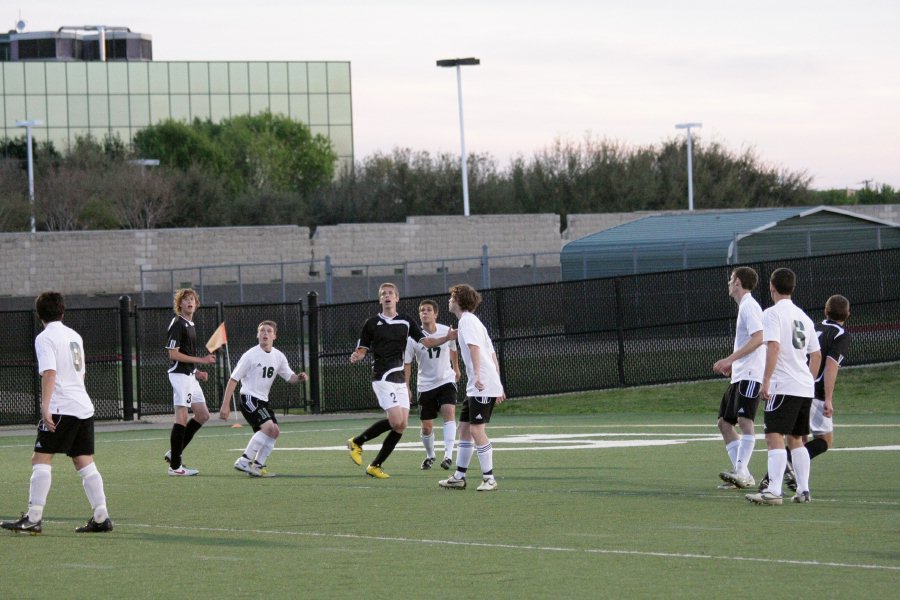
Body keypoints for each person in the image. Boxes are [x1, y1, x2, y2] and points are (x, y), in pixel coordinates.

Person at [1, 292, 113, 534]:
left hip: (62, 407)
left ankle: (33, 518)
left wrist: (46, 406)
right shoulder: (74, 335)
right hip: (82, 406)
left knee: (40, 459)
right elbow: (81, 372)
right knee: (83, 460)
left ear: (39, 314)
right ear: (62, 312)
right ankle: (101, 516)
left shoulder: (45, 338)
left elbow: (50, 373)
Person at [347, 283, 456, 479]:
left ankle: (375, 465)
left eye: (390, 293)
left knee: (401, 424)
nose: (387, 296)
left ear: (397, 298)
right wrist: (357, 356)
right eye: (383, 294)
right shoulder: (371, 323)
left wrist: (446, 338)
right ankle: (357, 442)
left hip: (399, 380)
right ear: (380, 299)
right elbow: (362, 350)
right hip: (382, 377)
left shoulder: (406, 321)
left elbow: (427, 342)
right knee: (396, 420)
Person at [758, 294, 851, 491]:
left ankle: (776, 480)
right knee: (823, 440)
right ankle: (784, 475)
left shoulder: (813, 325)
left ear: (825, 311)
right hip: (812, 389)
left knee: (798, 438)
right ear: (848, 314)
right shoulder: (840, 334)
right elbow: (830, 365)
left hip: (797, 385)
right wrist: (828, 398)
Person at [746, 268, 821, 506]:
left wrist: (766, 380)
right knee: (796, 438)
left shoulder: (772, 313)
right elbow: (816, 355)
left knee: (773, 436)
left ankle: (774, 491)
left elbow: (774, 347)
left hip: (783, 385)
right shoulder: (804, 317)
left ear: (772, 287)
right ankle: (803, 490)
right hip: (803, 387)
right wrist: (807, 379)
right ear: (793, 287)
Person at [220, 321, 308, 477]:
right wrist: (225, 404)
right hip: (249, 398)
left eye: (269, 331)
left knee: (274, 432)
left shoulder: (278, 356)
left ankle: (257, 467)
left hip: (263, 401)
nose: (265, 333)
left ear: (274, 336)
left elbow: (290, 377)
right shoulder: (250, 355)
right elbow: (233, 379)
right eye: (262, 330)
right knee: (268, 428)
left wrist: (299, 377)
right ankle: (244, 461)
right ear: (257, 334)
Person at [439, 284, 505, 492]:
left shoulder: (467, 321)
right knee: (464, 429)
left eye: (452, 297)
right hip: (479, 385)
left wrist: (478, 375)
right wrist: (498, 383)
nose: (449, 300)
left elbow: (475, 348)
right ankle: (459, 477)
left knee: (476, 430)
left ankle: (489, 478)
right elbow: (491, 353)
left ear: (459, 301)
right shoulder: (471, 322)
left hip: (481, 384)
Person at [713, 267, 765, 490]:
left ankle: (741, 472)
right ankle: (742, 473)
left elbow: (759, 338)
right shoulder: (744, 306)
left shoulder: (749, 306)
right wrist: (734, 366)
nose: (728, 283)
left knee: (745, 421)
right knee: (724, 423)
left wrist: (729, 359)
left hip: (751, 374)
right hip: (741, 374)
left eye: (731, 279)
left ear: (738, 282)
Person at [164, 288, 217, 476]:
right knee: (182, 417)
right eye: (185, 299)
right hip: (179, 376)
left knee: (203, 415)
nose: (189, 302)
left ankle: (174, 453)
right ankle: (175, 467)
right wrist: (201, 360)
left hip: (189, 375)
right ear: (179, 304)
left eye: (192, 299)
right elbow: (173, 354)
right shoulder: (178, 323)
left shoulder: (190, 324)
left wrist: (196, 371)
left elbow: (186, 354)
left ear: (196, 304)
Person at [404, 299, 461, 470]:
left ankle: (448, 456)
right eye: (422, 310)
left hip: (446, 380)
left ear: (435, 314)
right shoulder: (413, 338)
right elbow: (407, 363)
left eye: (429, 310)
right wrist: (406, 386)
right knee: (427, 427)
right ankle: (430, 455)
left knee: (449, 412)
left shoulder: (446, 330)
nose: (425, 312)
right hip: (425, 385)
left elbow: (453, 349)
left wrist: (456, 368)